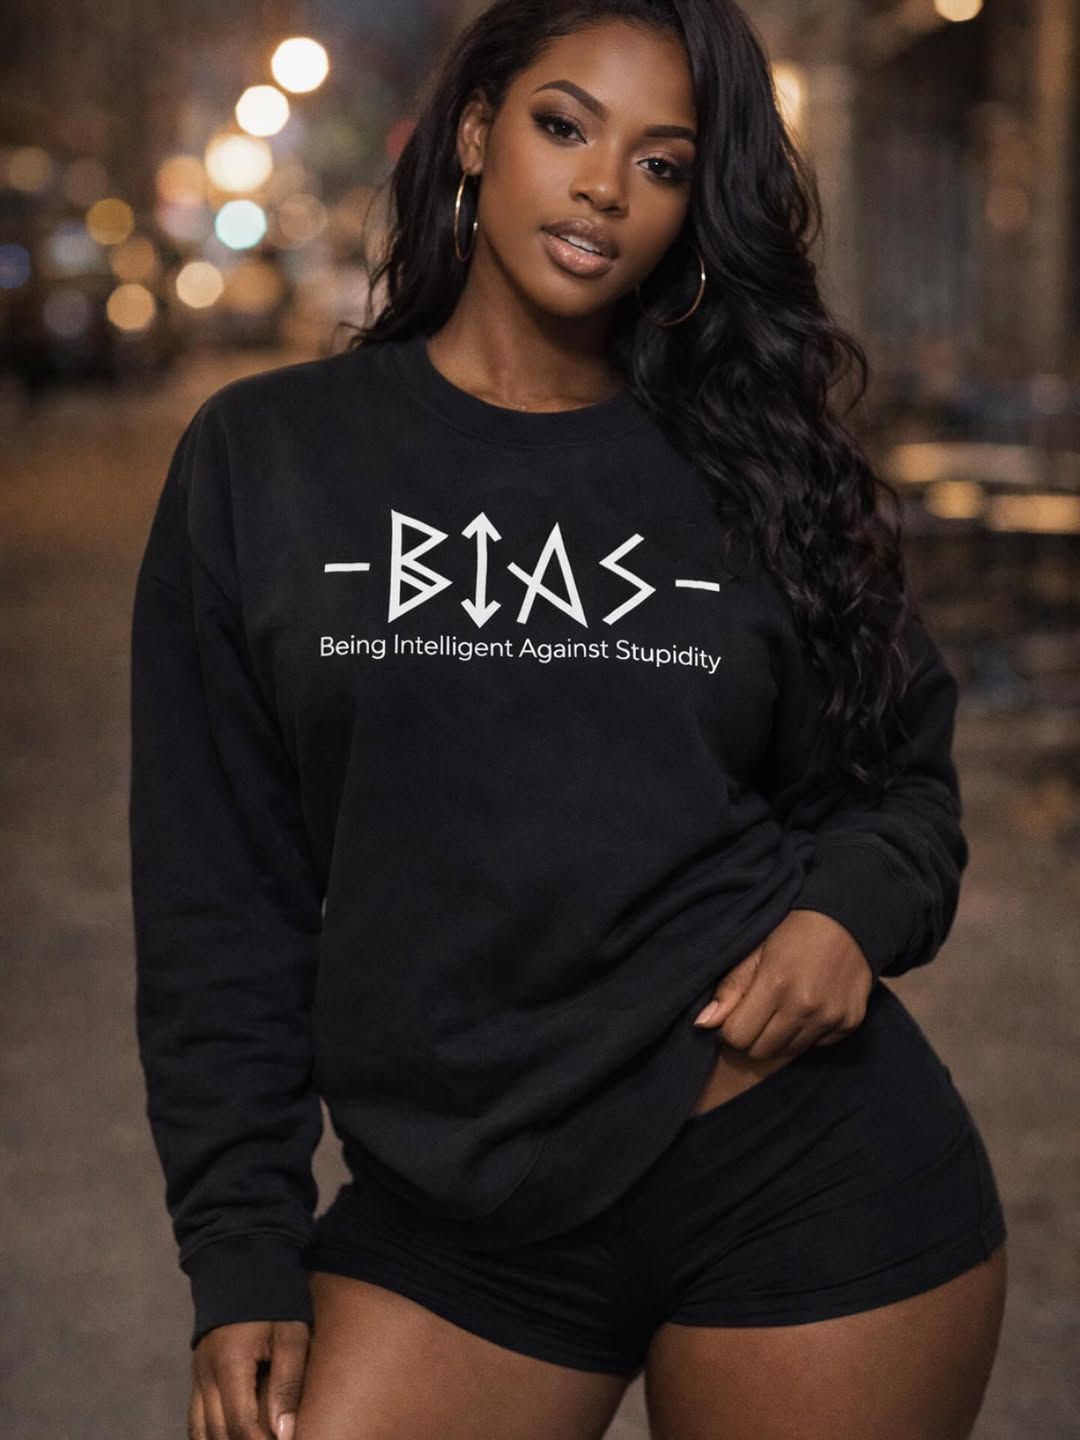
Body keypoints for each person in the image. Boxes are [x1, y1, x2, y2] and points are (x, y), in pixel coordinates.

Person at [128, 2, 1008, 1436]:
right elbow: (221, 895)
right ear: (476, 130)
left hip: (791, 1164)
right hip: (456, 1207)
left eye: (664, 164)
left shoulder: (757, 464)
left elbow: (903, 787)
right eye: (564, 125)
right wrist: (241, 1257)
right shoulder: (268, 461)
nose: (604, 187)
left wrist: (845, 914)